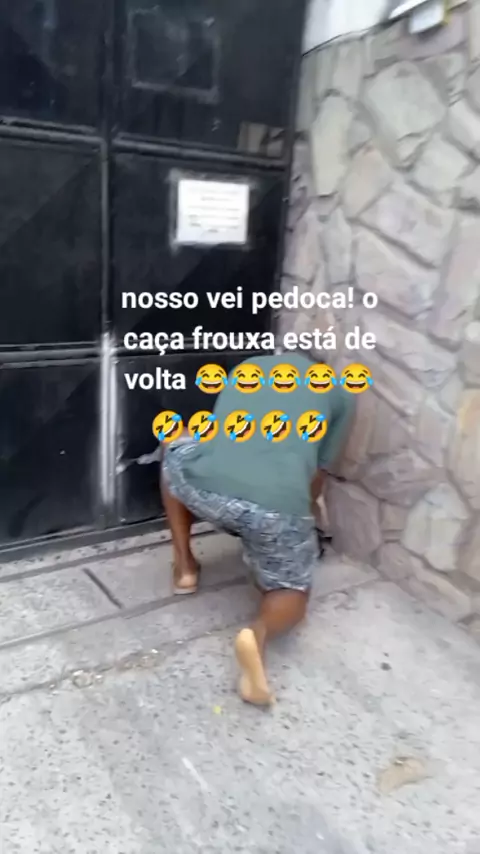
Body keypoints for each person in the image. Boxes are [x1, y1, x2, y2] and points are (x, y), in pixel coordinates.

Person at [160, 352, 355, 706]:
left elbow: (219, 436)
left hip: (206, 489)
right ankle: (257, 634)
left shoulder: (247, 367)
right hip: (275, 508)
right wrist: (300, 523)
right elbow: (317, 474)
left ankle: (184, 567)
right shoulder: (340, 394)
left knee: (174, 447)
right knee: (290, 589)